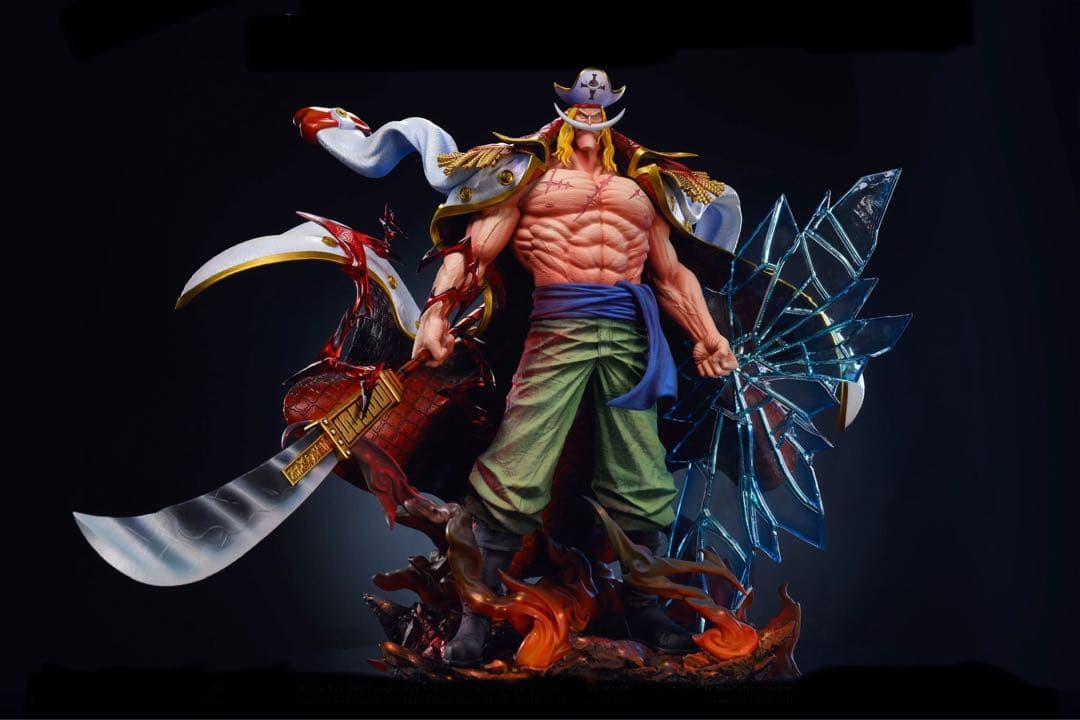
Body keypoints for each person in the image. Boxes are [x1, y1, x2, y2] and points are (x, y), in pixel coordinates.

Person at [410, 69, 740, 665]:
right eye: (581, 102)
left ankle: (644, 607)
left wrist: (708, 335)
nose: (590, 111)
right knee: (516, 465)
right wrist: (435, 314)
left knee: (642, 471)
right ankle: (478, 615)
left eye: (600, 102)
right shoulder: (524, 178)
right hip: (557, 324)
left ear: (613, 111)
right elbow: (473, 253)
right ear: (563, 108)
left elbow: (670, 275)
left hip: (628, 333)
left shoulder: (641, 188)